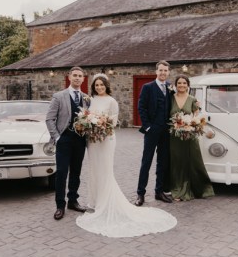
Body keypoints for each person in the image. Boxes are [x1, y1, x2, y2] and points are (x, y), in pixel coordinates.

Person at [76, 74, 177, 237]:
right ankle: (95, 201)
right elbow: (86, 116)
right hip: (92, 141)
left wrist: (99, 126)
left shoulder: (112, 101)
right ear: (93, 87)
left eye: (102, 85)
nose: (99, 87)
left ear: (106, 86)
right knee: (94, 169)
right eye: (97, 85)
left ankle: (108, 202)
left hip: (106, 139)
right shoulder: (90, 100)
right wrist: (89, 126)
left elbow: (113, 123)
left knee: (105, 169)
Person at [46, 66, 90, 220]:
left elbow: (89, 119)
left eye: (80, 76)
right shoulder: (59, 96)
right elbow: (49, 119)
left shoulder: (86, 98)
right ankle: (60, 205)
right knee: (62, 173)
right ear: (69, 77)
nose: (77, 78)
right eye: (75, 75)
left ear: (83, 79)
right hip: (63, 139)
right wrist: (57, 137)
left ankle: (73, 201)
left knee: (76, 172)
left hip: (80, 140)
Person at [168, 75, 215, 201]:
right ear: (175, 85)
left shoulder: (193, 100)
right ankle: (178, 190)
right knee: (177, 163)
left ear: (188, 85)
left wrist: (196, 126)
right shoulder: (170, 99)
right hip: (175, 137)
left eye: (184, 83)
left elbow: (197, 118)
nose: (182, 85)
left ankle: (198, 188)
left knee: (193, 161)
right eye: (179, 83)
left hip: (190, 136)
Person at [135, 60, 173, 206]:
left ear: (168, 72)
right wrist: (148, 127)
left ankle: (159, 191)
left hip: (166, 131)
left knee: (162, 162)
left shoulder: (170, 87)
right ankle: (140, 193)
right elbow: (141, 107)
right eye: (160, 70)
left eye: (165, 70)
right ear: (156, 71)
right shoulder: (147, 87)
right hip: (152, 130)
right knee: (146, 161)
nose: (163, 73)